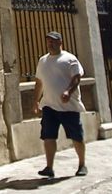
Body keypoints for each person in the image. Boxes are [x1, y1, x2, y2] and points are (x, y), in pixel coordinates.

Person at [33, 30, 87, 178]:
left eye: (54, 41)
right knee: (48, 136)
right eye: (48, 41)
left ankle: (82, 164)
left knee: (76, 136)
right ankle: (49, 167)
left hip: (68, 106)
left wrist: (68, 92)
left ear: (60, 42)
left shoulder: (70, 59)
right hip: (49, 105)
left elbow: (76, 78)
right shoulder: (43, 61)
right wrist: (36, 101)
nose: (50, 43)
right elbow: (39, 83)